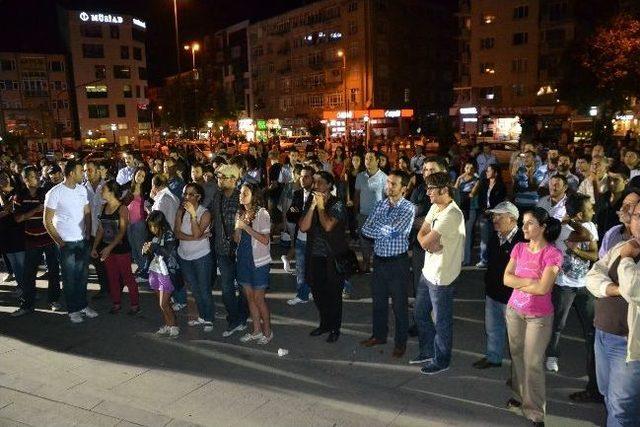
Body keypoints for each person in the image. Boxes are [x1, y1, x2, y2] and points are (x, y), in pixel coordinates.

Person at [503, 207, 563, 426]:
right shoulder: (519, 248)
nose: (523, 227)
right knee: (517, 356)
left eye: (529, 223)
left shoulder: (553, 254)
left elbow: (543, 288)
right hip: (514, 311)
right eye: (523, 223)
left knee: (533, 363)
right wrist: (531, 282)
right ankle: (521, 398)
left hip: (538, 317)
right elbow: (506, 279)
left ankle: (536, 412)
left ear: (543, 227)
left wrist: (524, 283)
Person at [543, 193, 602, 402]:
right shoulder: (562, 229)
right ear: (579, 213)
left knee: (591, 329)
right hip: (564, 285)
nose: (593, 211)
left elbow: (594, 255)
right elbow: (585, 236)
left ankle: (594, 364)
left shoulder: (590, 226)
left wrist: (578, 252)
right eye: (589, 208)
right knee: (558, 324)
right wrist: (573, 225)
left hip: (585, 286)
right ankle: (552, 355)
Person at [586, 203, 640, 427]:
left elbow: (634, 289)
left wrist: (627, 260)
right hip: (603, 334)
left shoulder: (626, 251)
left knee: (621, 409)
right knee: (607, 395)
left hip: (628, 345)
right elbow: (593, 274)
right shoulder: (624, 245)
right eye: (637, 215)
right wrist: (612, 289)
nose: (638, 221)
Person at [413, 171, 465, 375]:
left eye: (431, 189)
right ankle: (427, 351)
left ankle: (442, 360)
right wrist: (428, 244)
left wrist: (427, 242)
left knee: (442, 321)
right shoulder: (435, 207)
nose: (428, 193)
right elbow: (421, 235)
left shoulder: (453, 214)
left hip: (443, 276)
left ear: (444, 190)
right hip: (428, 271)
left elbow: (425, 239)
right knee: (419, 313)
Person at [360, 170, 415, 357]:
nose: (388, 187)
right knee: (378, 302)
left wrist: (380, 228)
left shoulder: (408, 208)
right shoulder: (380, 204)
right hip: (379, 261)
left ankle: (400, 343)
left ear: (404, 189)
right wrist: (383, 229)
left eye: (393, 184)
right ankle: (379, 335)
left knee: (399, 305)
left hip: (397, 263)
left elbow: (394, 231)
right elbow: (365, 229)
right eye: (388, 183)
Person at [43, 159, 98, 324]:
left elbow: (87, 212)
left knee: (82, 276)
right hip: (66, 243)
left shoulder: (81, 190)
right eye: (81, 171)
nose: (84, 173)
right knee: (69, 278)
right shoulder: (55, 192)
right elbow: (47, 220)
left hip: (82, 241)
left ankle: (82, 305)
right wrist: (59, 240)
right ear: (72, 173)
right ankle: (73, 309)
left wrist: (88, 232)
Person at [472, 201, 525, 369]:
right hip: (493, 293)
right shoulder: (496, 236)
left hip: (512, 297)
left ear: (512, 219)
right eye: (494, 215)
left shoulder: (523, 241)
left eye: (499, 216)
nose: (494, 219)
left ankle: (519, 372)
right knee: (493, 329)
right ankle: (493, 358)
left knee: (516, 337)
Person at [299, 171, 349, 343]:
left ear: (329, 185)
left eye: (320, 182)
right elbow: (304, 227)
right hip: (314, 254)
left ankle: (335, 327)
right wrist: (313, 206)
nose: (316, 185)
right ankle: (325, 323)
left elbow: (328, 226)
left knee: (333, 293)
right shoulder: (309, 201)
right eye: (315, 182)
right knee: (317, 291)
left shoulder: (337, 204)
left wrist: (320, 206)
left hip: (332, 255)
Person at [11, 166, 61, 316]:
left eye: (37, 175)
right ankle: (27, 304)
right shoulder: (19, 196)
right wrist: (35, 210)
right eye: (32, 176)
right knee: (29, 274)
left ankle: (53, 300)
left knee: (53, 271)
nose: (37, 179)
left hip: (48, 238)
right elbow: (18, 218)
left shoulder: (45, 193)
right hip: (31, 240)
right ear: (25, 179)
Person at [91, 179, 140, 314]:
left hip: (121, 248)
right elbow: (101, 229)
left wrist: (109, 248)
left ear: (112, 192)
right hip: (107, 247)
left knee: (127, 276)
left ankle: (135, 303)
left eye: (104, 190)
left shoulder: (122, 208)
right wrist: (95, 247)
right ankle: (116, 302)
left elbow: (122, 231)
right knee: (112, 276)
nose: (101, 192)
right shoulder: (103, 207)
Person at [213, 164, 249, 337]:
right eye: (219, 177)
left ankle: (242, 317)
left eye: (223, 177)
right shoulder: (217, 197)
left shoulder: (241, 198)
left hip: (240, 251)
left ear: (234, 179)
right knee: (227, 289)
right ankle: (234, 319)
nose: (219, 180)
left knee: (243, 287)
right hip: (222, 250)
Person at [234, 183, 273, 344]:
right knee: (249, 297)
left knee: (259, 298)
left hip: (259, 261)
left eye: (245, 193)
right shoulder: (240, 213)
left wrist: (245, 227)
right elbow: (236, 239)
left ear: (254, 195)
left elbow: (265, 240)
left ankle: (268, 331)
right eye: (240, 193)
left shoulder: (262, 213)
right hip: (243, 259)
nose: (241, 196)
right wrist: (237, 227)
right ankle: (256, 330)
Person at [175, 183, 214, 332]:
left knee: (204, 289)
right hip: (184, 255)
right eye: (185, 194)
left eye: (191, 194)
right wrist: (195, 238)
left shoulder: (205, 213)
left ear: (198, 196)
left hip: (201, 256)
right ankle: (202, 316)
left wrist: (192, 215)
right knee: (194, 288)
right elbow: (177, 233)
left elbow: (197, 233)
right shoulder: (180, 211)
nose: (186, 197)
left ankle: (209, 318)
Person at [143, 211, 179, 338]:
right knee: (161, 303)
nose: (152, 229)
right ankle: (168, 325)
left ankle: (173, 325)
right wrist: (146, 250)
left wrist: (154, 247)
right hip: (155, 271)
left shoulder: (168, 235)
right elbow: (150, 255)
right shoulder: (152, 236)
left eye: (155, 226)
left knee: (164, 303)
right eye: (150, 226)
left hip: (166, 273)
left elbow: (168, 253)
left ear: (161, 224)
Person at [285, 166, 315, 305]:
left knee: (314, 267)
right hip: (300, 236)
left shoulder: (317, 195)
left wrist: (299, 213)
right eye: (301, 176)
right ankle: (302, 294)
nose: (302, 179)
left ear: (313, 178)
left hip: (313, 238)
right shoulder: (297, 194)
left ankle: (310, 291)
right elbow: (290, 215)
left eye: (306, 176)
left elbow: (313, 218)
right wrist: (299, 214)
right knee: (300, 268)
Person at [354, 151, 387, 273]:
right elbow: (357, 195)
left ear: (378, 161)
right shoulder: (360, 176)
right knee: (364, 242)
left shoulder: (384, 177)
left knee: (378, 241)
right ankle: (366, 263)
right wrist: (355, 212)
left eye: (371, 158)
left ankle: (378, 264)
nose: (367, 161)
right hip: (363, 214)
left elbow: (388, 197)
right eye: (366, 158)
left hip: (378, 216)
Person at [472, 163, 507, 268]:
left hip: (497, 215)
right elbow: (479, 197)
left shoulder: (501, 186)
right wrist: (483, 210)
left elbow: (501, 201)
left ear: (495, 173)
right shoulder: (484, 183)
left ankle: (495, 259)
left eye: (489, 170)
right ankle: (484, 260)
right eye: (486, 170)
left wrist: (494, 211)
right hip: (484, 213)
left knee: (496, 238)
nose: (486, 172)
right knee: (484, 238)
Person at [123, 168, 150, 279]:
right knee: (133, 248)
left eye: (143, 176)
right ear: (134, 175)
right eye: (139, 175)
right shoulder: (128, 188)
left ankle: (145, 271)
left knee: (140, 248)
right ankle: (141, 268)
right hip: (128, 223)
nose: (140, 178)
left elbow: (148, 206)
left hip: (139, 223)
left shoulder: (146, 190)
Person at [599, 190, 640, 257]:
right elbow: (602, 262)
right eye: (623, 204)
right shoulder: (613, 232)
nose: (623, 208)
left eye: (630, 205)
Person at [595, 165, 630, 241]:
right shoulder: (603, 198)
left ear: (626, 181)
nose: (611, 183)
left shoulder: (629, 202)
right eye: (609, 179)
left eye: (616, 180)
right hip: (601, 243)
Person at [455, 161, 479, 266]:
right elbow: (454, 191)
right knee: (459, 234)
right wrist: (459, 179)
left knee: (467, 233)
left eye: (471, 167)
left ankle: (467, 259)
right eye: (467, 167)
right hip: (460, 208)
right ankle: (459, 258)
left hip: (471, 208)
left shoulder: (476, 180)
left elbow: (472, 193)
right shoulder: (460, 179)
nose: (468, 169)